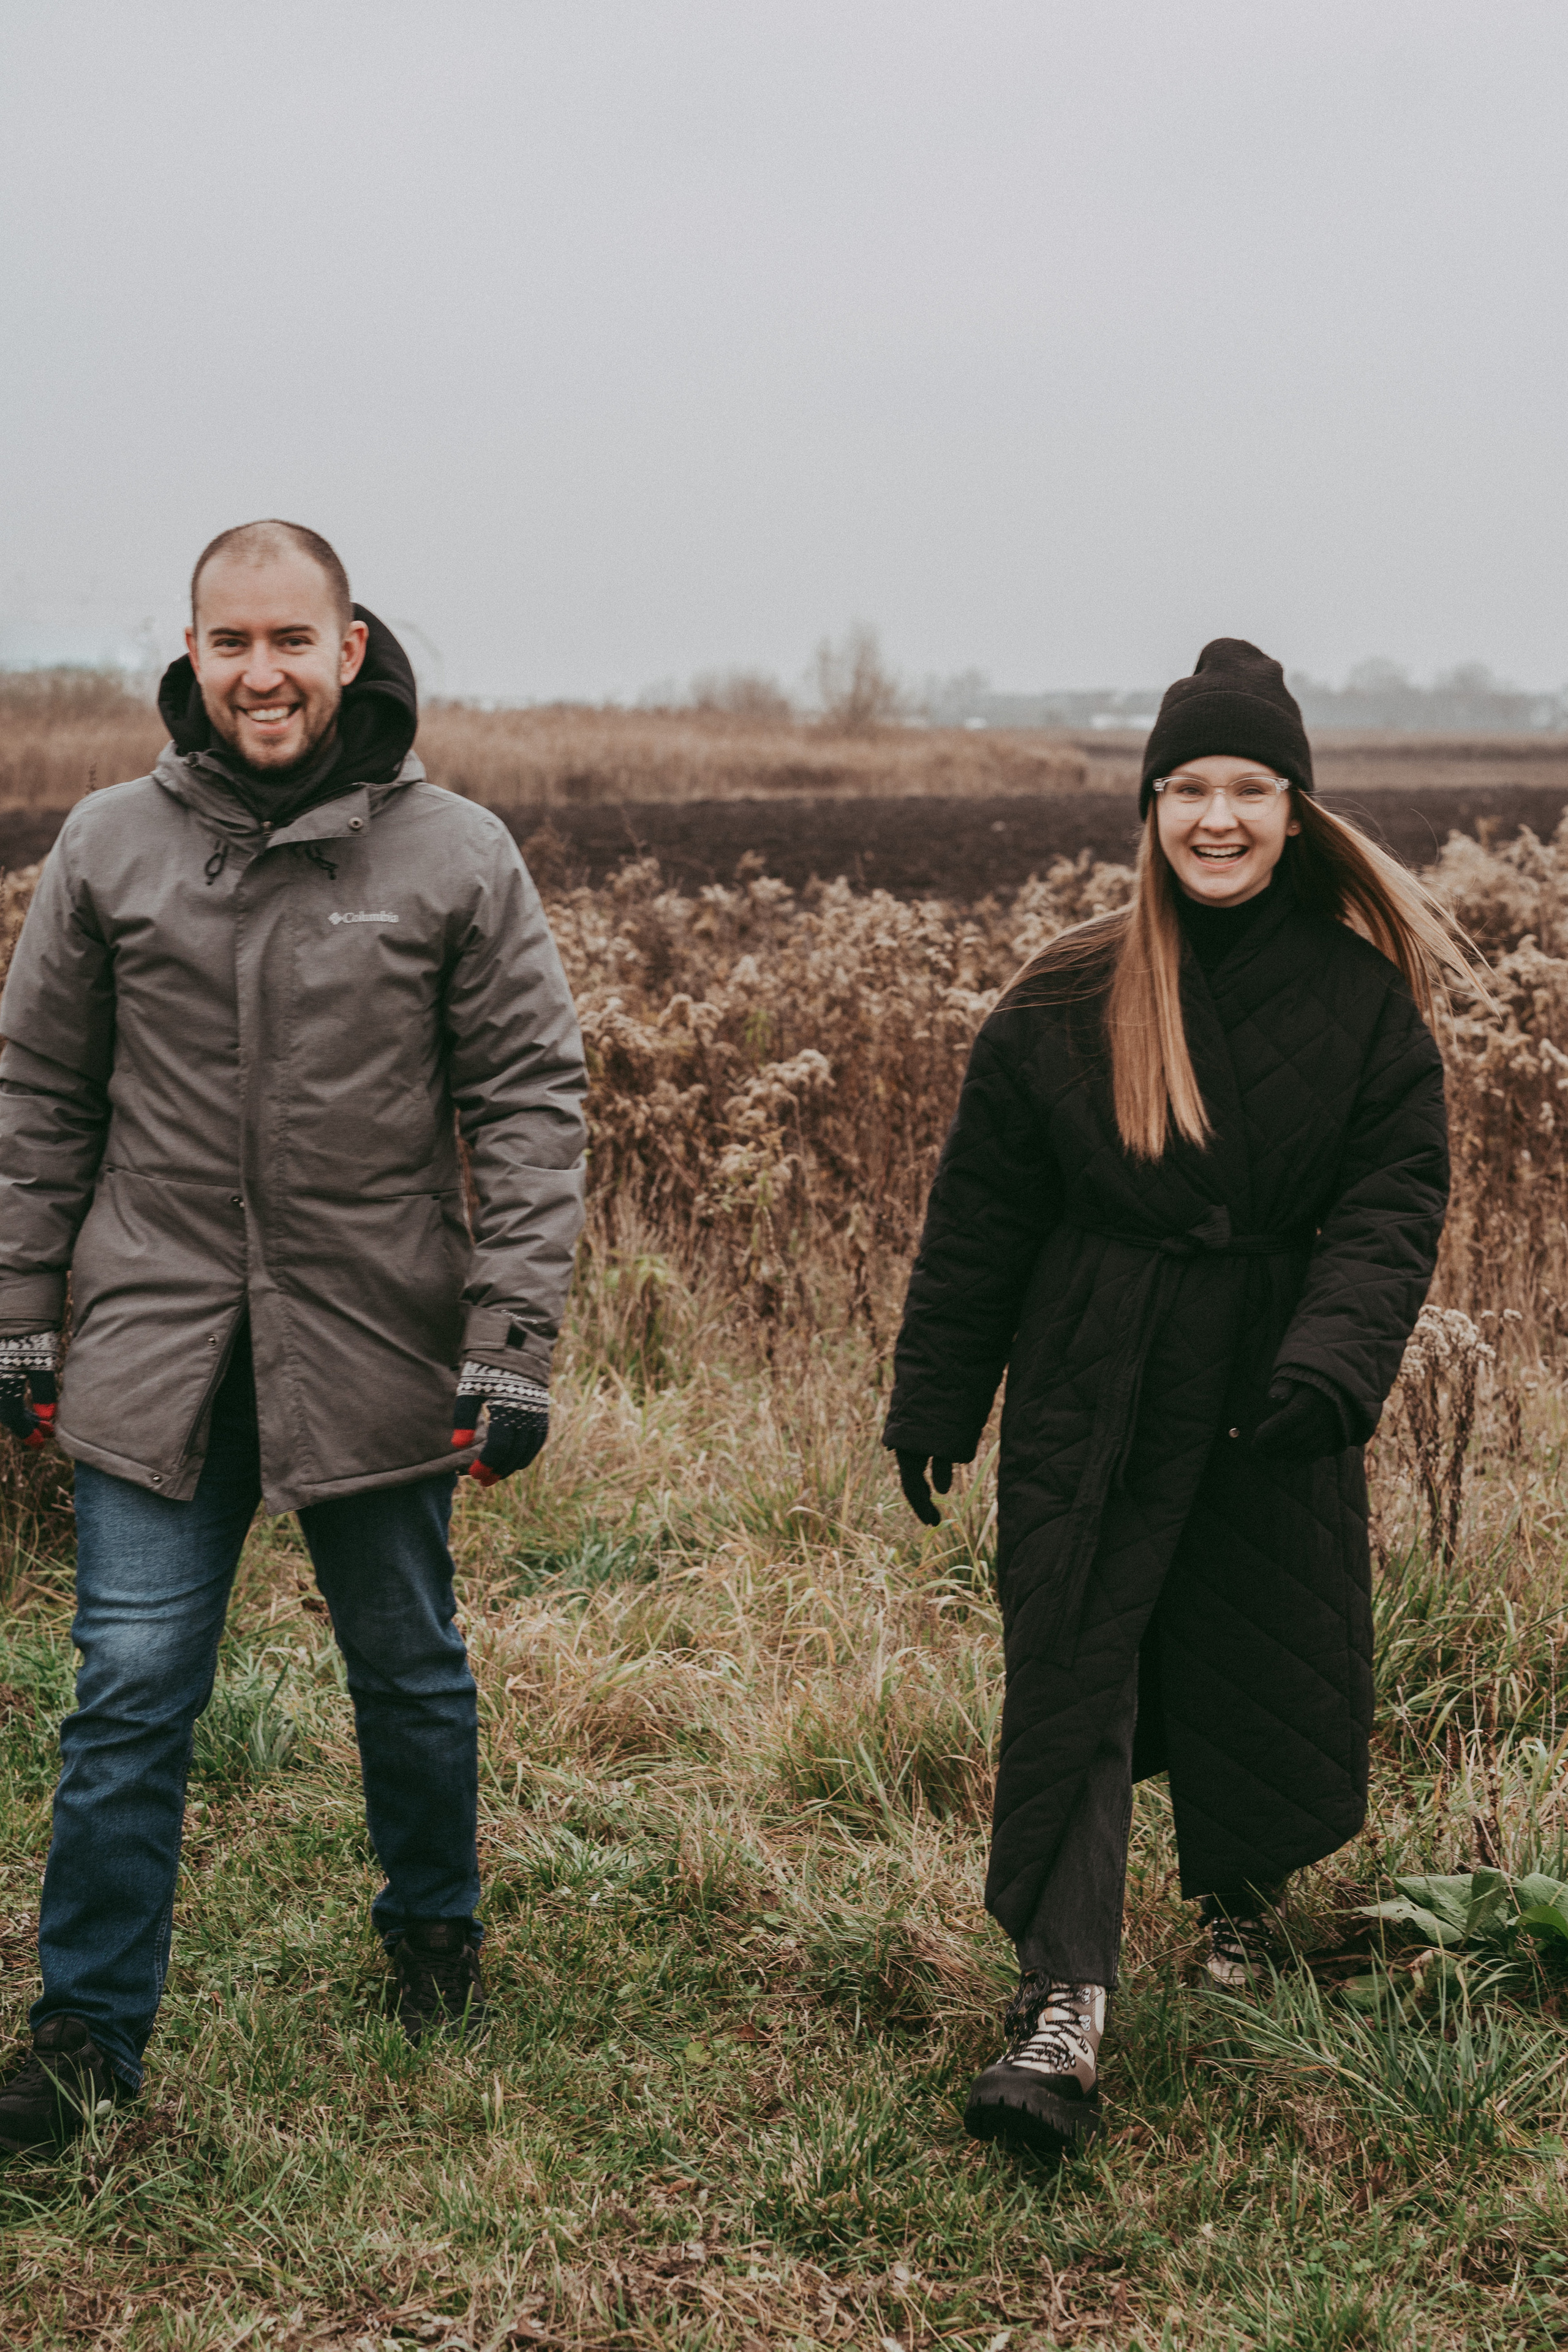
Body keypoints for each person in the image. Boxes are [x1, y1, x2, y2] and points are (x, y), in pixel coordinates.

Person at [0, 521, 587, 2155]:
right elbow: (37, 1098)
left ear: (349, 647)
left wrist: (511, 1335)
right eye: (230, 641)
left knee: (408, 1666)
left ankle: (433, 1926)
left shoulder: (456, 854)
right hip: (154, 1335)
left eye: (291, 640)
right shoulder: (110, 845)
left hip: (375, 1333)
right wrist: (18, 1312)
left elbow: (531, 1102)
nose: (260, 672)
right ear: (191, 653)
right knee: (125, 1690)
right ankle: (85, 2037)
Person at [884, 639, 1469, 2162]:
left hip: (1270, 1385)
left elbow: (1392, 1199)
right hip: (1096, 1374)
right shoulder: (1065, 992)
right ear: (1147, 807)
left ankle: (1240, 1916)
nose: (1216, 817)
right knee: (1074, 1665)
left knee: (1251, 1651)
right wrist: (937, 1393)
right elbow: (982, 1212)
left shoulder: (1359, 1002)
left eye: (1247, 788)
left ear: (1295, 809)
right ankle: (1061, 2004)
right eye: (1187, 788)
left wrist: (1330, 1364)